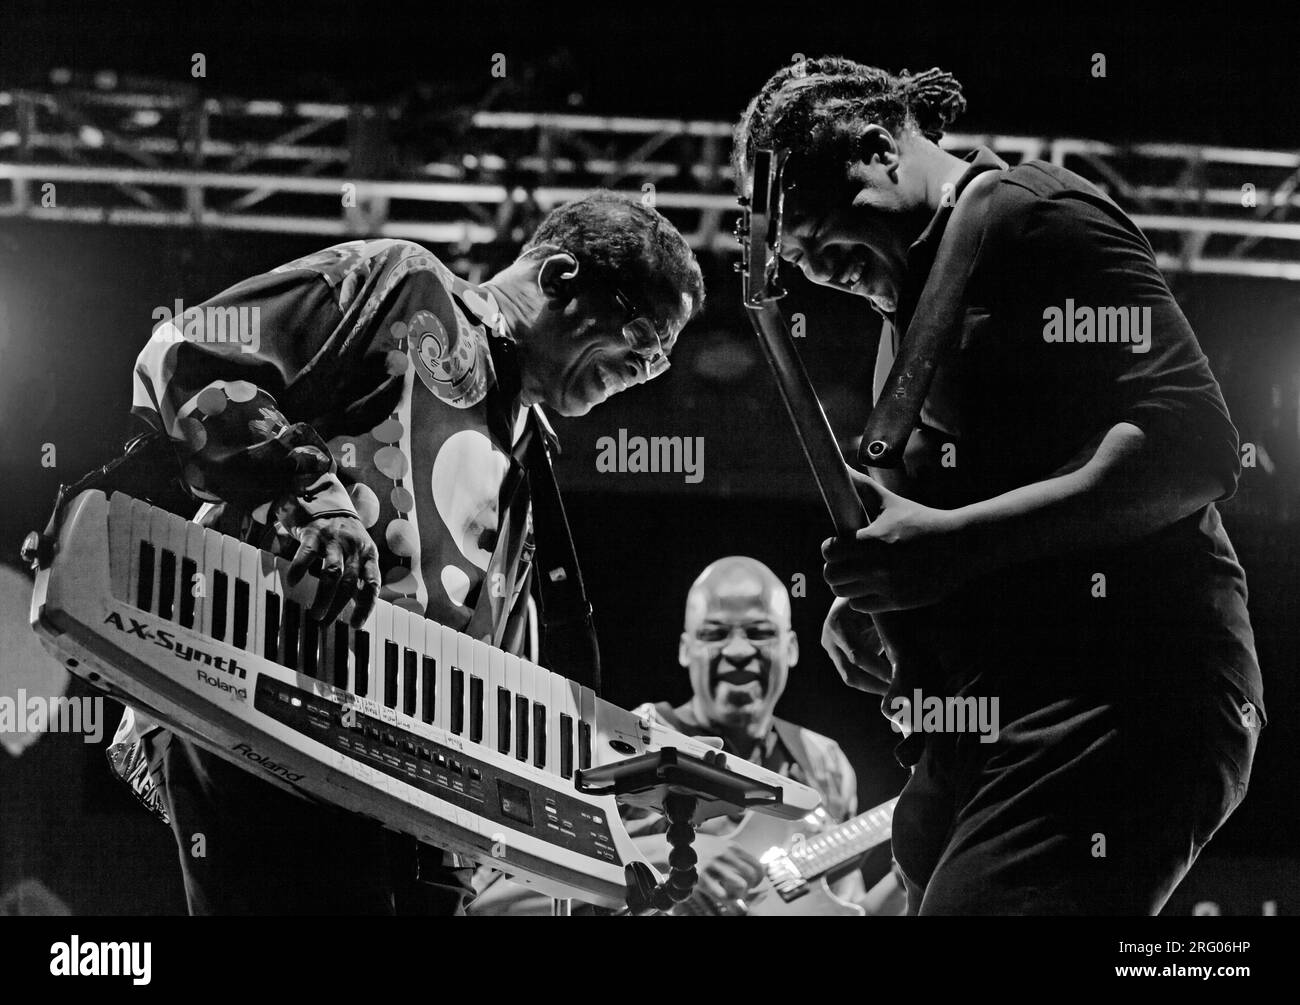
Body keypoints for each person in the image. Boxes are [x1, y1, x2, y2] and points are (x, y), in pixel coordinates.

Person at [733, 57, 1263, 914]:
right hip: (997, 720)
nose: (823, 271)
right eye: (800, 260)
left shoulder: (1034, 217)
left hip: (1120, 692)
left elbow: (1194, 445)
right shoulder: (905, 316)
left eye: (824, 234)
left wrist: (953, 547)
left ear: (879, 148)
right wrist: (889, 602)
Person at [113, 191, 704, 914]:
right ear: (559, 278)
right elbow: (182, 352)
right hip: (271, 702)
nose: (643, 368)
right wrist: (309, 494)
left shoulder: (530, 448)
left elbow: (501, 669)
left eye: (657, 365)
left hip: (416, 789)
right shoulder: (407, 284)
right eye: (640, 336)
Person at [470, 556, 905, 915]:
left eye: (759, 632)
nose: (738, 651)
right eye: (715, 634)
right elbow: (495, 902)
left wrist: (912, 871)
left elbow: (844, 908)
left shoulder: (824, 763)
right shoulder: (619, 746)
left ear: (791, 648)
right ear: (684, 649)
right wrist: (661, 862)